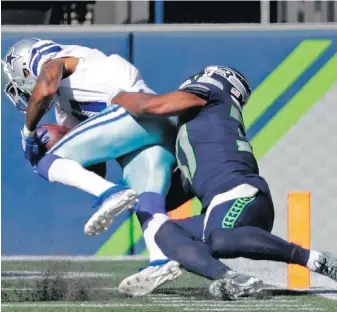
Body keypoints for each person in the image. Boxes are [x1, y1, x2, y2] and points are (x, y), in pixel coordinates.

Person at [111, 65, 337, 299]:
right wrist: (130, 189)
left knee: (218, 238)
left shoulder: (212, 95)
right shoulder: (201, 129)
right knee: (163, 232)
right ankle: (232, 279)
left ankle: (315, 260)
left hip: (242, 195)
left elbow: (148, 106)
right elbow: (171, 196)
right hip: (221, 207)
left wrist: (113, 96)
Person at [1, 38, 184, 293]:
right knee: (147, 200)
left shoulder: (53, 61)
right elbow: (95, 165)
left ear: (25, 67)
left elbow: (44, 88)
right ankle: (161, 259)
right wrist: (60, 142)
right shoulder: (66, 106)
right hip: (158, 126)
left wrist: (28, 132)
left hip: (132, 109)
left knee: (45, 163)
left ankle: (111, 193)